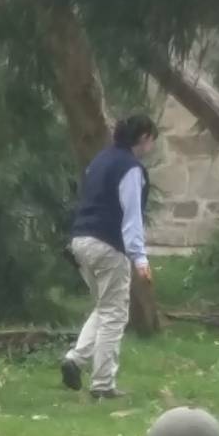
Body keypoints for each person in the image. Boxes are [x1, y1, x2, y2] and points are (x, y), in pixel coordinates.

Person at [60, 113, 157, 400]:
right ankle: (103, 384)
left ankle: (75, 359)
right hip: (107, 244)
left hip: (80, 240)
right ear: (143, 139)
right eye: (151, 138)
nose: (152, 144)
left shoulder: (100, 161)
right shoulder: (130, 169)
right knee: (115, 314)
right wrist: (140, 258)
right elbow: (132, 217)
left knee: (104, 307)